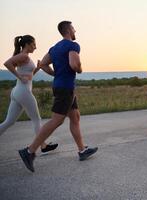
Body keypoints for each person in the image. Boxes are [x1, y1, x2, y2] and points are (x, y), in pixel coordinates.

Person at [18, 21, 98, 172]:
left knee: (75, 117)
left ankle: (82, 150)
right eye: (74, 28)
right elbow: (75, 65)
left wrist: (56, 74)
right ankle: (29, 151)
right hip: (66, 88)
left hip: (61, 86)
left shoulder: (54, 48)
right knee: (57, 120)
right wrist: (79, 68)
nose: (75, 30)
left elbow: (43, 64)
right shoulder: (73, 46)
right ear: (68, 30)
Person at [1, 35, 58, 153]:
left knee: (9, 122)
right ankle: (43, 145)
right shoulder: (23, 56)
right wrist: (19, 76)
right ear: (27, 44)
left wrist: (36, 68)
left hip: (17, 92)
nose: (35, 47)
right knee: (37, 119)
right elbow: (7, 63)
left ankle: (43, 145)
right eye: (33, 44)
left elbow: (29, 76)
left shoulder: (25, 57)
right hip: (23, 92)